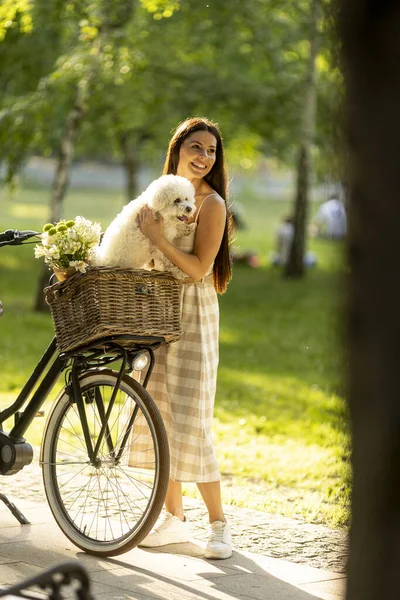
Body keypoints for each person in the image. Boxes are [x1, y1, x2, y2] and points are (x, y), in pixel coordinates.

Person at [136, 117, 233, 559]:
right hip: (157, 311)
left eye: (211, 151)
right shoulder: (161, 193)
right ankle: (173, 518)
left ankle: (219, 526)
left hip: (192, 314)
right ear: (177, 149)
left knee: (191, 419)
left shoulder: (211, 204)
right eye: (196, 147)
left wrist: (156, 235)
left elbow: (197, 270)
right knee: (159, 413)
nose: (203, 156)